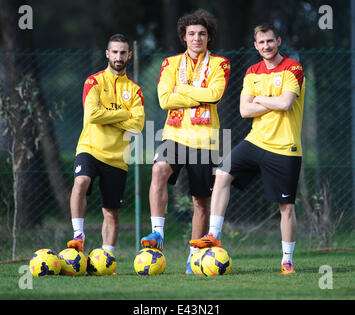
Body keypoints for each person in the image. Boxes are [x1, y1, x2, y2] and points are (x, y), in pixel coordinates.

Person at [190, 23, 306, 275]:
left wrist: (261, 99)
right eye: (261, 42)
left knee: (286, 208)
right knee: (221, 174)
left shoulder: (292, 68)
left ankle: (287, 260)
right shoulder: (252, 71)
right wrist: (270, 102)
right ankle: (214, 235)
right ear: (255, 45)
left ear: (279, 41)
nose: (266, 46)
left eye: (270, 41)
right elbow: (244, 110)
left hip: (285, 147)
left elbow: (286, 103)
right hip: (255, 141)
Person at [140, 8, 231, 274]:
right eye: (191, 34)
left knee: (200, 202)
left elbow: (214, 95)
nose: (196, 38)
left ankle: (194, 257)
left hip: (206, 139)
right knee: (158, 169)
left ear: (209, 37)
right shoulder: (170, 63)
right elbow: (164, 99)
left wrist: (182, 90)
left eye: (202, 34)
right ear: (184, 37)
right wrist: (197, 94)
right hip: (175, 134)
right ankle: (158, 234)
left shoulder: (219, 63)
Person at [67, 34, 145, 254]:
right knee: (81, 181)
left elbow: (137, 126)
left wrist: (108, 115)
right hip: (90, 148)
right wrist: (123, 113)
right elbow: (92, 115)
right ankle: (78, 236)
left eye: (123, 52)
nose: (119, 56)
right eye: (115, 52)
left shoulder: (135, 90)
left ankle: (107, 256)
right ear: (107, 54)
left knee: (111, 211)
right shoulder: (94, 81)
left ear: (129, 55)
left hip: (117, 158)